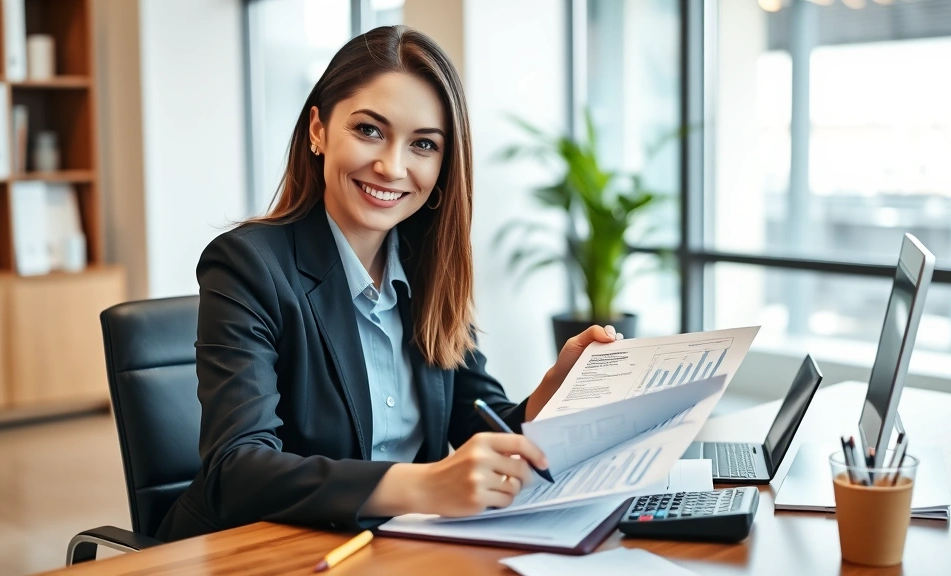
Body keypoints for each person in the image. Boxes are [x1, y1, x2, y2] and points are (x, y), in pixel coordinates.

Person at [155, 25, 622, 542]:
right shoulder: (246, 265)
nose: (391, 166)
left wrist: (551, 396)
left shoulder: (429, 266)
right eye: (369, 130)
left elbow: (477, 424)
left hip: (392, 547)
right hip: (257, 548)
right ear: (318, 130)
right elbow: (235, 470)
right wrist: (421, 486)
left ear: (444, 165)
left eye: (423, 144)